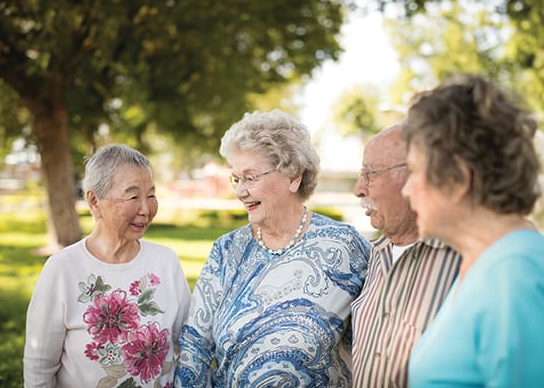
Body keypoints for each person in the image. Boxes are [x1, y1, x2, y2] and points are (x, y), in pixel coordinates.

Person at [174, 109, 370, 387]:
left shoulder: (343, 245)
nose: (240, 191)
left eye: (251, 177)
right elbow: (195, 348)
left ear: (293, 177)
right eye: (236, 179)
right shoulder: (227, 251)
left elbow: (380, 337)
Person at [400, 75, 544, 386]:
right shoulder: (485, 262)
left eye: (413, 171)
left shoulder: (514, 273)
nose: (406, 190)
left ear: (458, 178)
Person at [23, 144, 191, 387]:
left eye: (151, 196)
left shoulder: (165, 262)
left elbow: (189, 346)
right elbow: (39, 366)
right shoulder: (62, 269)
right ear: (94, 201)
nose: (146, 209)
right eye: (133, 196)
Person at [351, 124, 461, 387]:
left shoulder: (469, 259)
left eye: (370, 174)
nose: (358, 189)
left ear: (415, 176)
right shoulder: (374, 254)